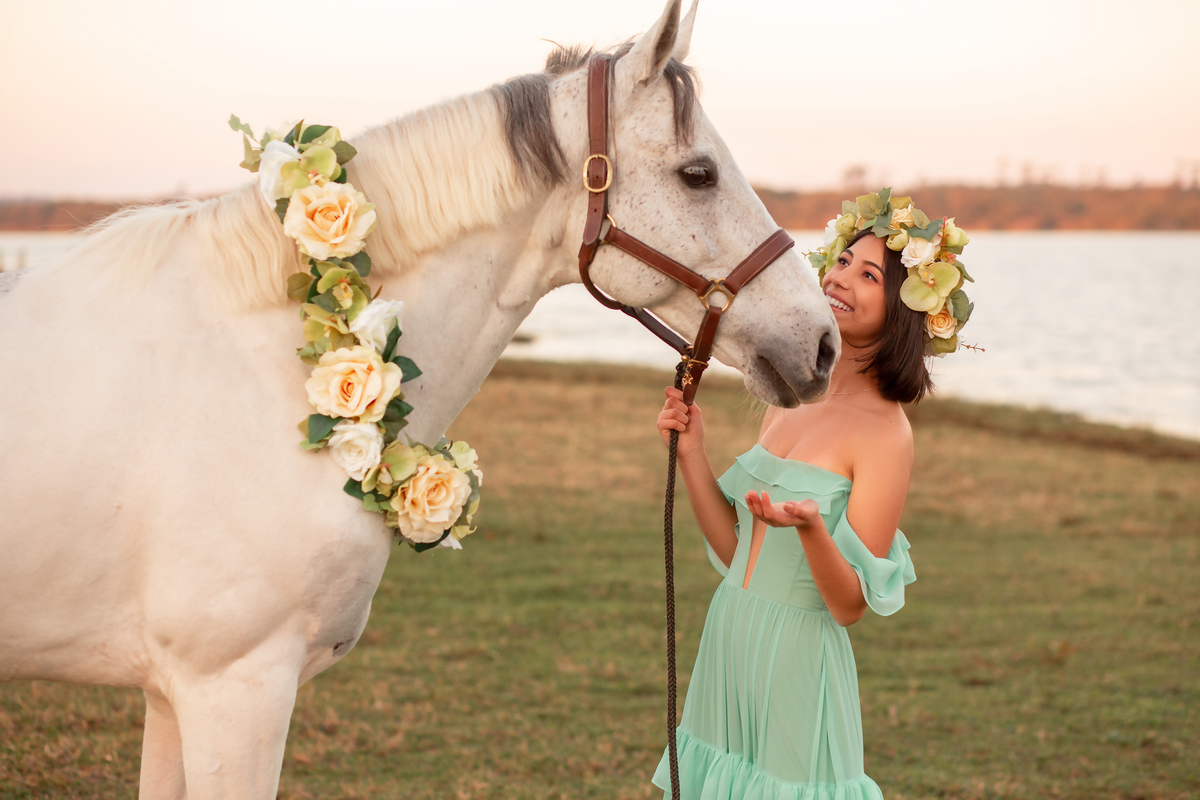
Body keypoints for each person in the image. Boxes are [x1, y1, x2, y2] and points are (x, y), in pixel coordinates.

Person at [651, 189, 974, 799]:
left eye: (870, 273)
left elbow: (850, 605)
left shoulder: (887, 433)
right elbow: (732, 549)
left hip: (797, 656)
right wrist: (693, 452)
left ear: (905, 306)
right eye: (844, 260)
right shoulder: (796, 397)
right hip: (730, 634)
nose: (842, 276)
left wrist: (812, 530)